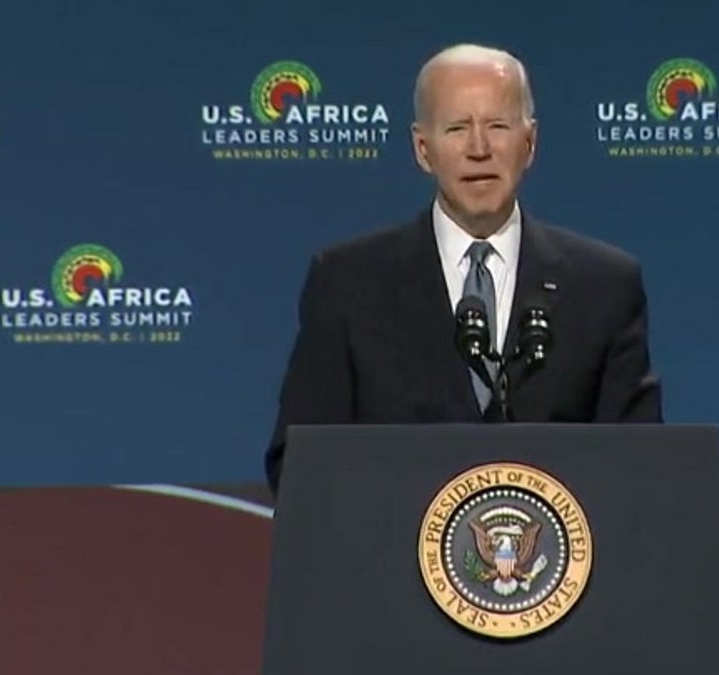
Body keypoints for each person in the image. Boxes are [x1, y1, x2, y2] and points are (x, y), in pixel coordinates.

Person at [264, 44, 661, 493]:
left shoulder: (604, 285)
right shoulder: (347, 283)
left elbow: (639, 469)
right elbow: (298, 466)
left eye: (498, 126)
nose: (479, 148)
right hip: (390, 559)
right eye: (456, 128)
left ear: (529, 144)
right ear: (422, 150)